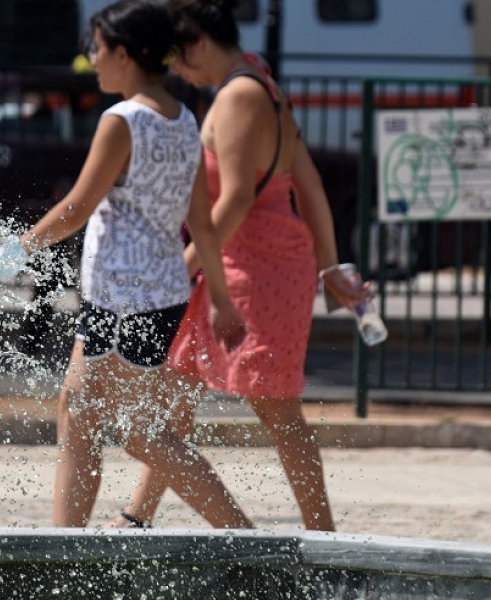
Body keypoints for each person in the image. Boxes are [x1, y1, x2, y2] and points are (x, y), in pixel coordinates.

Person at [0, 0, 253, 529]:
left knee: (136, 432)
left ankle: (244, 538)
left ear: (125, 54)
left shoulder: (122, 120)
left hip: (122, 296)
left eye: (98, 50)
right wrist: (218, 298)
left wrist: (16, 251)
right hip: (159, 294)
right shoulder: (182, 119)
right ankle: (67, 548)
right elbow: (201, 220)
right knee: (82, 417)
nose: (92, 61)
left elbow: (78, 207)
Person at [110, 0, 369, 532]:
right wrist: (329, 267)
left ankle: (321, 540)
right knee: (174, 391)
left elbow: (234, 204)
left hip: (256, 269)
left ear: (201, 43)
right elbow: (310, 183)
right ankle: (138, 516)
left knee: (276, 410)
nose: (177, 72)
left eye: (179, 60)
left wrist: (176, 270)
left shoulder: (239, 96)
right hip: (242, 263)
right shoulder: (262, 85)